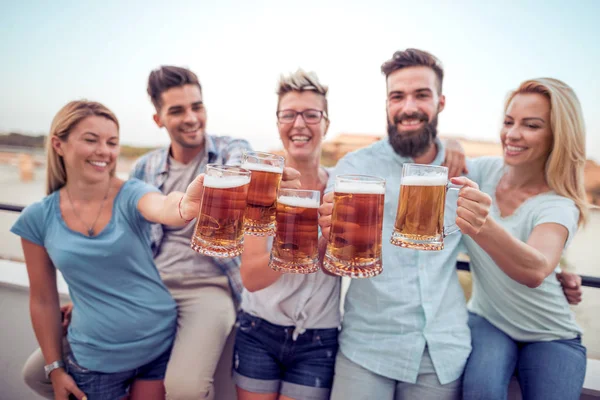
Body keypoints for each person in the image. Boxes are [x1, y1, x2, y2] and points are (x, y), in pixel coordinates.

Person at [21, 66, 300, 400]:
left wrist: (265, 181)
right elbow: (113, 244)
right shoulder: (145, 167)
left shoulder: (229, 151)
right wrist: (86, 299)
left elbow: (242, 166)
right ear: (158, 120)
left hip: (208, 288)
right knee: (36, 372)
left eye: (197, 106)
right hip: (149, 285)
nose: (192, 118)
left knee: (184, 389)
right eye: (177, 110)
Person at [317, 48, 493, 400]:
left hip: (442, 350)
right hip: (367, 347)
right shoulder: (354, 167)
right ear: (387, 104)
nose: (408, 107)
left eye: (421, 95)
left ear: (440, 102)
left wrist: (558, 276)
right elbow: (329, 263)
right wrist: (328, 236)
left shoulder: (467, 172)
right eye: (397, 96)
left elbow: (524, 197)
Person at [11, 100, 208, 400]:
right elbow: (43, 299)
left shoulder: (131, 193)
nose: (104, 151)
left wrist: (184, 205)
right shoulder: (37, 218)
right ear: (58, 145)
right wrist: (55, 368)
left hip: (158, 341)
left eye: (112, 142)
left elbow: (163, 205)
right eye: (91, 140)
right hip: (96, 360)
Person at [460, 78, 588, 400]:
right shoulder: (483, 172)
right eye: (508, 122)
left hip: (550, 333)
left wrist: (481, 224)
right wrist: (449, 144)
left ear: (557, 136)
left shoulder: (558, 205)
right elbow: (429, 160)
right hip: (488, 319)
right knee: (481, 392)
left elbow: (535, 269)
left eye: (531, 125)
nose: (512, 134)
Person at [233, 70, 340, 400]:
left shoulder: (342, 188)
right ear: (278, 123)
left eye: (311, 114)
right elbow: (251, 277)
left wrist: (325, 240)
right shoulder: (262, 187)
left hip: (319, 338)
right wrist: (303, 235)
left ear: (326, 123)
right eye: (288, 115)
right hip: (258, 330)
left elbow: (338, 267)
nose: (299, 124)